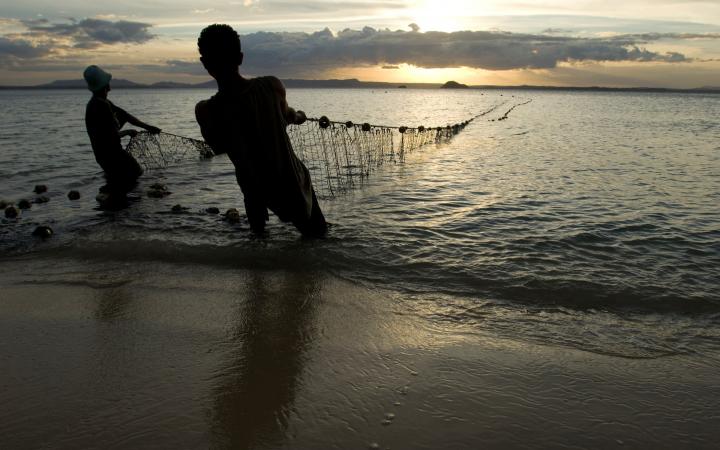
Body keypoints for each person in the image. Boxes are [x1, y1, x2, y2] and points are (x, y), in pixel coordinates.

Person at [194, 24, 328, 237]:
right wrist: (301, 115)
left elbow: (217, 147)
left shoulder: (206, 110)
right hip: (291, 184)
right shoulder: (271, 86)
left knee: (258, 247)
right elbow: (290, 116)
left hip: (254, 189)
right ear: (240, 57)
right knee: (317, 240)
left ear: (205, 63)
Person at [83, 65, 161, 194]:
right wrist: (129, 132)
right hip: (111, 156)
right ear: (105, 85)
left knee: (121, 184)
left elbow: (125, 115)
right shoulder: (100, 105)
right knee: (135, 175)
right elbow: (110, 136)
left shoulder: (102, 102)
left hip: (106, 156)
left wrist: (148, 127)